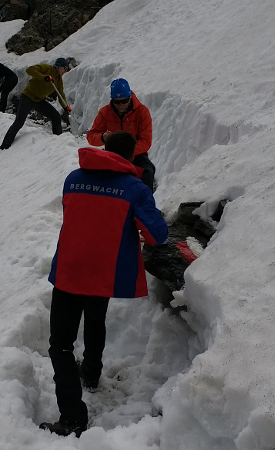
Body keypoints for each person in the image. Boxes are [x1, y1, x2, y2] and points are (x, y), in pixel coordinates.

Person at [39, 131, 168, 437]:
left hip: (70, 270)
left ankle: (71, 416)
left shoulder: (73, 179)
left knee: (61, 344)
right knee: (95, 319)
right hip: (103, 273)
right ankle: (91, 373)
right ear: (130, 157)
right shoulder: (135, 189)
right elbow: (157, 235)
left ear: (104, 148)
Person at [87, 78, 156, 192]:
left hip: (136, 153)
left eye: (124, 101)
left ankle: (145, 206)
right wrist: (103, 138)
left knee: (148, 172)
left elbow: (146, 141)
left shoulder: (142, 112)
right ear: (112, 100)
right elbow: (91, 136)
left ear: (130, 96)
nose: (121, 105)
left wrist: (127, 154)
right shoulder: (105, 112)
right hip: (112, 154)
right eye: (117, 102)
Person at [0, 57, 72, 150]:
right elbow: (30, 70)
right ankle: (4, 146)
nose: (65, 71)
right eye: (65, 68)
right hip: (27, 97)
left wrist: (65, 106)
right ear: (58, 66)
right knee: (19, 122)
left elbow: (60, 94)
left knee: (56, 117)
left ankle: (57, 142)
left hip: (39, 101)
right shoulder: (47, 68)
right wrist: (43, 77)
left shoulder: (58, 80)